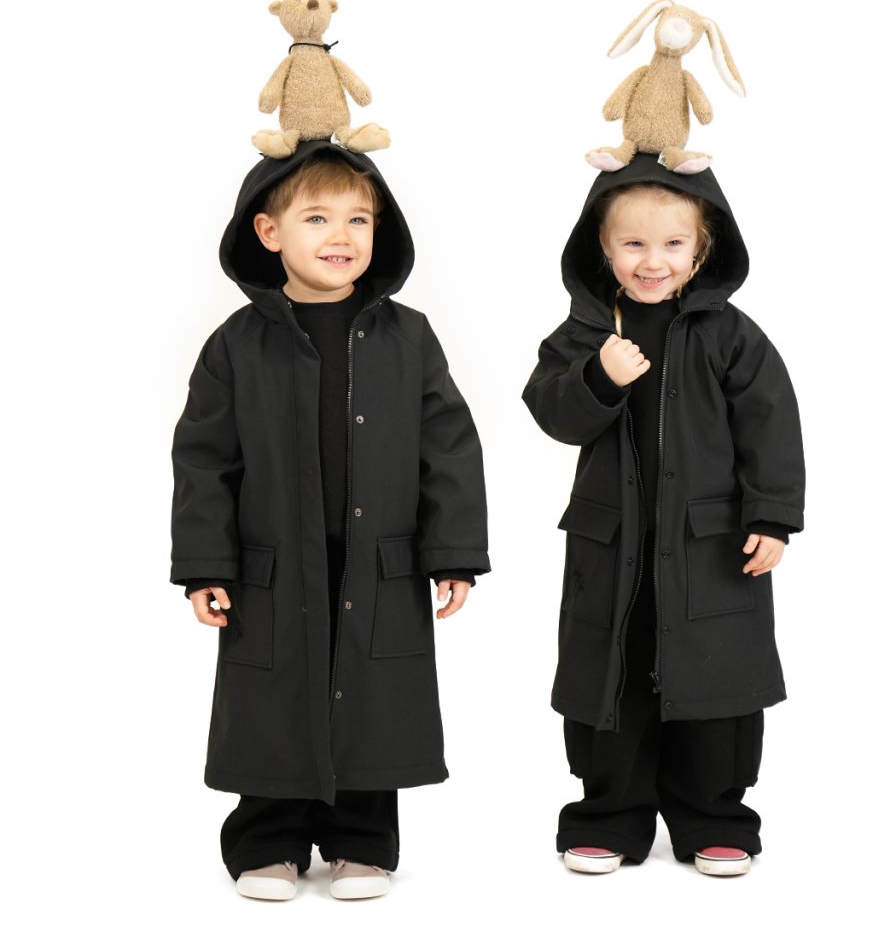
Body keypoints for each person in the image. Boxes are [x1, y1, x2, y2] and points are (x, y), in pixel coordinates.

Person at [171, 141, 489, 900]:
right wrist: (206, 565)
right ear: (269, 231)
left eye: (358, 218)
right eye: (316, 217)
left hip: (380, 557)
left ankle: (361, 841)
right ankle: (268, 842)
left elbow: (449, 446)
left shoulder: (409, 337)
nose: (341, 235)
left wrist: (452, 552)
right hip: (273, 562)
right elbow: (205, 462)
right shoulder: (235, 345)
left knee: (375, 702)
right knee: (271, 700)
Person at [523, 154, 804, 876]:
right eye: (634, 243)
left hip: (712, 549)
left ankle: (716, 819)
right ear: (603, 247)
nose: (654, 262)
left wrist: (771, 517)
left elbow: (770, 423)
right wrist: (598, 377)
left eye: (673, 243)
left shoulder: (730, 334)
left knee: (713, 681)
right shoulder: (587, 333)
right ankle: (607, 818)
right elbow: (551, 411)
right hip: (613, 547)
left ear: (702, 248)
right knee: (613, 680)